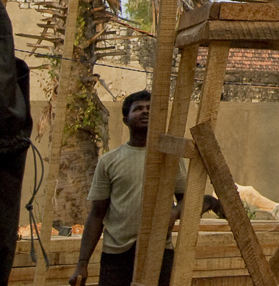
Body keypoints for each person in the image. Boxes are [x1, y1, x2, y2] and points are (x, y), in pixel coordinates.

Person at [70, 90, 223, 286]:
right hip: (117, 254)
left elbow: (188, 200)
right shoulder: (110, 161)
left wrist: (174, 212)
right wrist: (82, 264)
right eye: (138, 109)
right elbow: (97, 214)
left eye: (150, 109)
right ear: (126, 120)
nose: (145, 112)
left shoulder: (169, 159)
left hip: (158, 250)